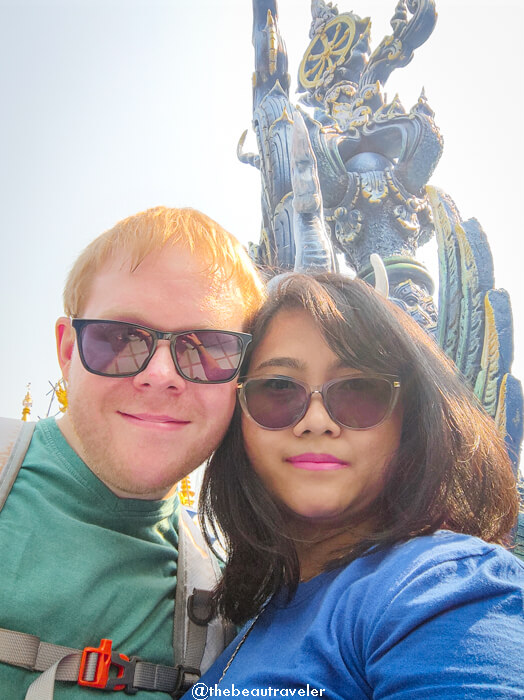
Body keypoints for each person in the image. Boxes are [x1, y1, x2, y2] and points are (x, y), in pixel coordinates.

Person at [195, 272, 523, 699]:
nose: (316, 421)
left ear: (410, 421)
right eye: (278, 389)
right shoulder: (258, 610)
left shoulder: (442, 588)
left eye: (358, 390)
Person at [0, 206, 265, 698]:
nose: (160, 374)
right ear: (66, 350)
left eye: (206, 348)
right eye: (120, 337)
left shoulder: (227, 606)